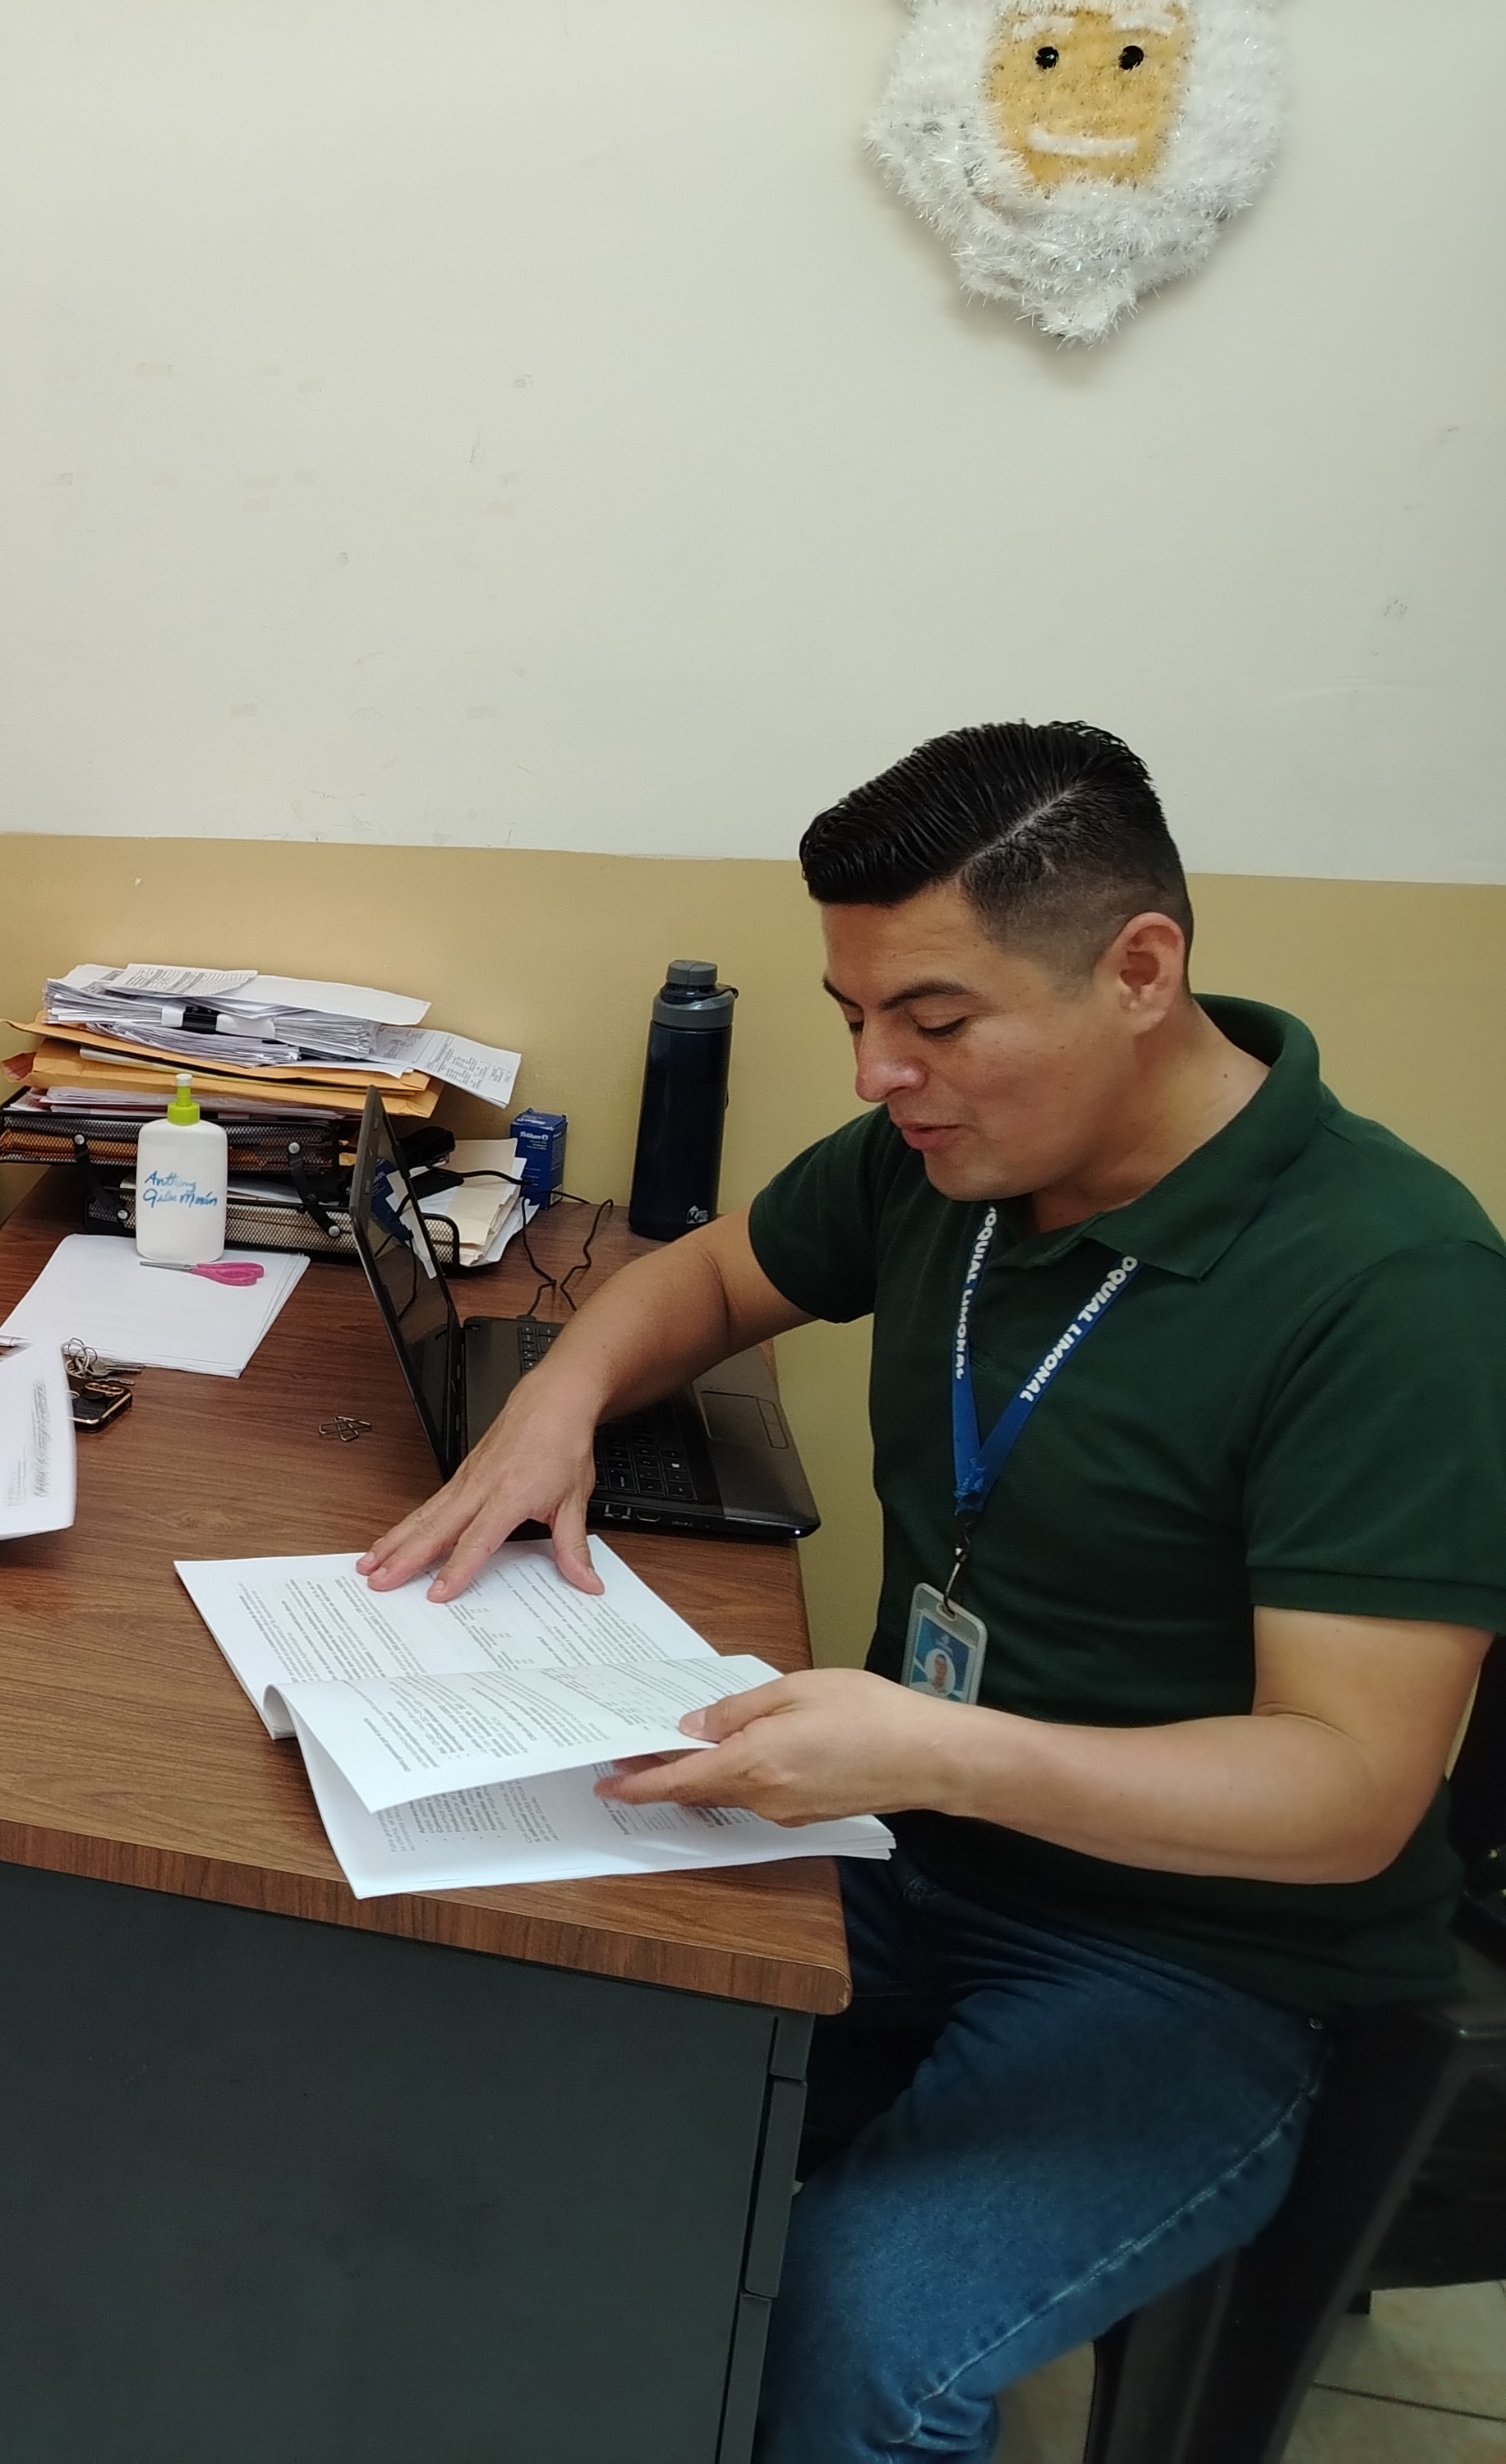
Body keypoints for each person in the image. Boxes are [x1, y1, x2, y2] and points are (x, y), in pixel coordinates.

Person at [360, 721, 1505, 2463]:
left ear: (1140, 971)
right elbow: (711, 1278)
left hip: (1199, 1957)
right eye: (854, 1020)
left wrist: (934, 1752)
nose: (879, 1076)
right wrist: (551, 1407)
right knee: (500, 2069)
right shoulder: (946, 1159)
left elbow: (1350, 1792)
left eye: (935, 1021)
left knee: (857, 2335)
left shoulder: (1393, 1287)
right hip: (893, 1843)